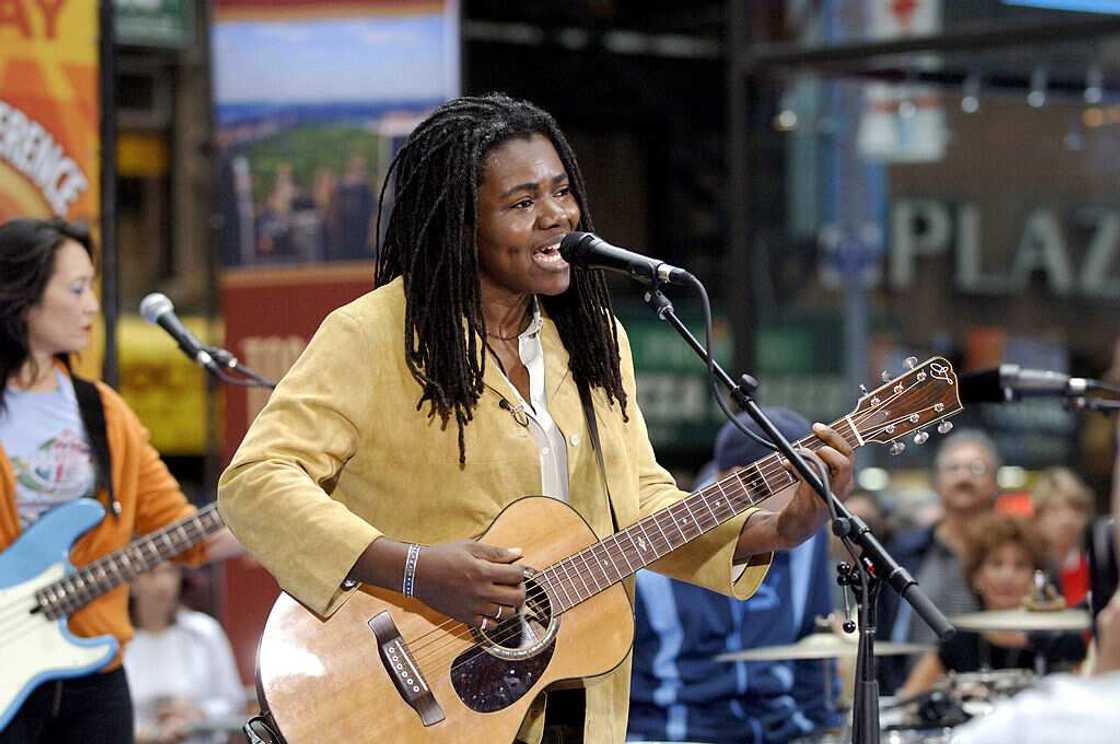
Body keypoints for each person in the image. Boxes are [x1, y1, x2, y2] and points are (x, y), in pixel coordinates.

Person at [216, 93, 855, 744]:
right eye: (523, 203)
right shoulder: (372, 336)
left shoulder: (595, 342)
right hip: (416, 708)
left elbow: (636, 505)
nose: (557, 216)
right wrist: (414, 570)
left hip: (573, 704)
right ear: (460, 225)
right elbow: (257, 481)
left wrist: (769, 530)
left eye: (561, 192)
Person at [0, 218, 240, 743]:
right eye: (76, 288)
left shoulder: (102, 411)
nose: (92, 305)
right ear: (23, 297)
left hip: (94, 680)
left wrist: (281, 517)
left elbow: (182, 532)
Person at [628, 408, 844, 743]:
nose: (809, 495)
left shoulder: (808, 541)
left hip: (777, 730)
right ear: (739, 479)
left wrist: (821, 726)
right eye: (796, 479)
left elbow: (814, 643)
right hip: (672, 731)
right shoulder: (655, 536)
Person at [898, 513, 1085, 698]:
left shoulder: (1059, 642)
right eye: (996, 564)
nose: (1007, 576)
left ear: (1035, 578)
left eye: (1020, 566)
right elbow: (908, 700)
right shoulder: (957, 640)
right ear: (976, 577)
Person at [878, 429, 1001, 691]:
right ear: (936, 482)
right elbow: (883, 634)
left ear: (994, 483)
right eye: (953, 468)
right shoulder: (902, 553)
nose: (964, 476)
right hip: (913, 702)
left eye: (976, 468)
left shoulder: (1012, 557)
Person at [125, 563, 245, 744]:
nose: (164, 583)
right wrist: (152, 735)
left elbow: (233, 700)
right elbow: (104, 720)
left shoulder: (204, 631)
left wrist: (198, 713)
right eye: (151, 573)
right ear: (131, 583)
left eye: (170, 571)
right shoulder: (117, 644)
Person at [1032, 466, 1095, 605]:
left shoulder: (1097, 567)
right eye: (1055, 510)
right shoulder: (1025, 567)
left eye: (1076, 509)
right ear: (1037, 518)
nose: (1067, 520)